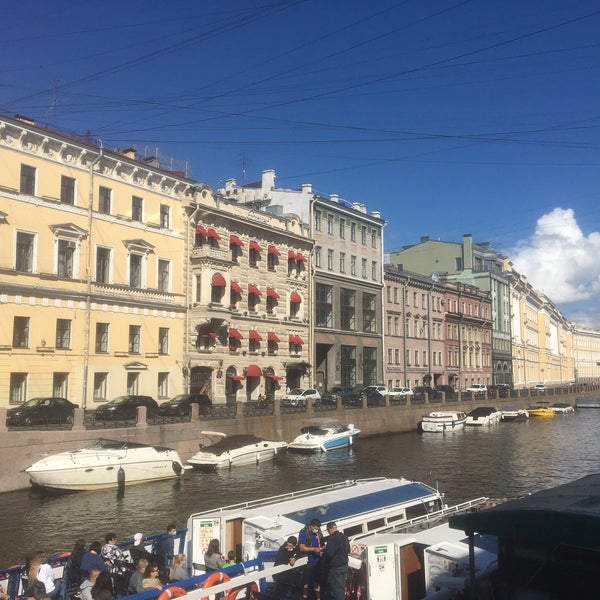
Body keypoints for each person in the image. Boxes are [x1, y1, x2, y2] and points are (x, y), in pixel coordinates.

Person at [321, 523, 349, 600]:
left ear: (330, 529)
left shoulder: (332, 539)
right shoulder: (344, 536)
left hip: (336, 567)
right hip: (345, 565)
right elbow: (348, 550)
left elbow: (329, 554)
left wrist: (324, 552)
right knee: (342, 587)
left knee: (337, 589)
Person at [298, 519, 324, 600]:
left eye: (318, 528)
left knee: (317, 580)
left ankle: (318, 597)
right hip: (308, 560)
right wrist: (313, 549)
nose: (317, 529)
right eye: (316, 527)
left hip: (317, 560)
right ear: (311, 526)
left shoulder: (318, 532)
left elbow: (321, 542)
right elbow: (301, 548)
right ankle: (304, 596)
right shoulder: (303, 532)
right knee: (305, 581)